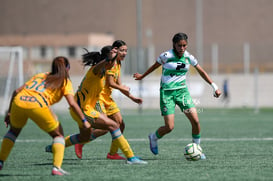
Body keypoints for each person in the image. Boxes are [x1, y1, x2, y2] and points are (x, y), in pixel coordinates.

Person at [46, 46, 147, 164]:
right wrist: (109, 59)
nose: (114, 64)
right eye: (112, 61)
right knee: (114, 126)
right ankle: (131, 157)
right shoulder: (97, 69)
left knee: (84, 137)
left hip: (80, 109)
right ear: (107, 60)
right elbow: (101, 66)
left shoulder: (103, 72)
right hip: (83, 109)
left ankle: (56, 146)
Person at [133, 32, 221, 159]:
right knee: (169, 127)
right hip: (167, 93)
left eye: (184, 45)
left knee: (195, 121)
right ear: (174, 44)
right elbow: (154, 67)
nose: (182, 48)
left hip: (182, 93)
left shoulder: (188, 57)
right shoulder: (166, 56)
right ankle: (153, 137)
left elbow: (201, 71)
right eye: (179, 45)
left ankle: (198, 149)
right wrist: (142, 76)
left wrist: (214, 87)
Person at [0, 56, 90, 176]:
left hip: (19, 102)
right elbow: (72, 103)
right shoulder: (65, 81)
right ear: (67, 69)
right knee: (58, 135)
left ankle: (0, 162)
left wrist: (9, 112)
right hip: (38, 104)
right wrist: (84, 120)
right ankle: (56, 168)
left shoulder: (40, 75)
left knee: (13, 132)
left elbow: (16, 91)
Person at [74, 40, 143, 160]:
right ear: (114, 50)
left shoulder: (118, 63)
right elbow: (111, 83)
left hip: (108, 99)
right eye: (122, 50)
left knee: (121, 125)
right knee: (106, 128)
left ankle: (112, 153)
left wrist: (132, 97)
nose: (125, 53)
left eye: (126, 50)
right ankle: (81, 142)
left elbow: (119, 84)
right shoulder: (111, 64)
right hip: (99, 98)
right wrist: (123, 88)